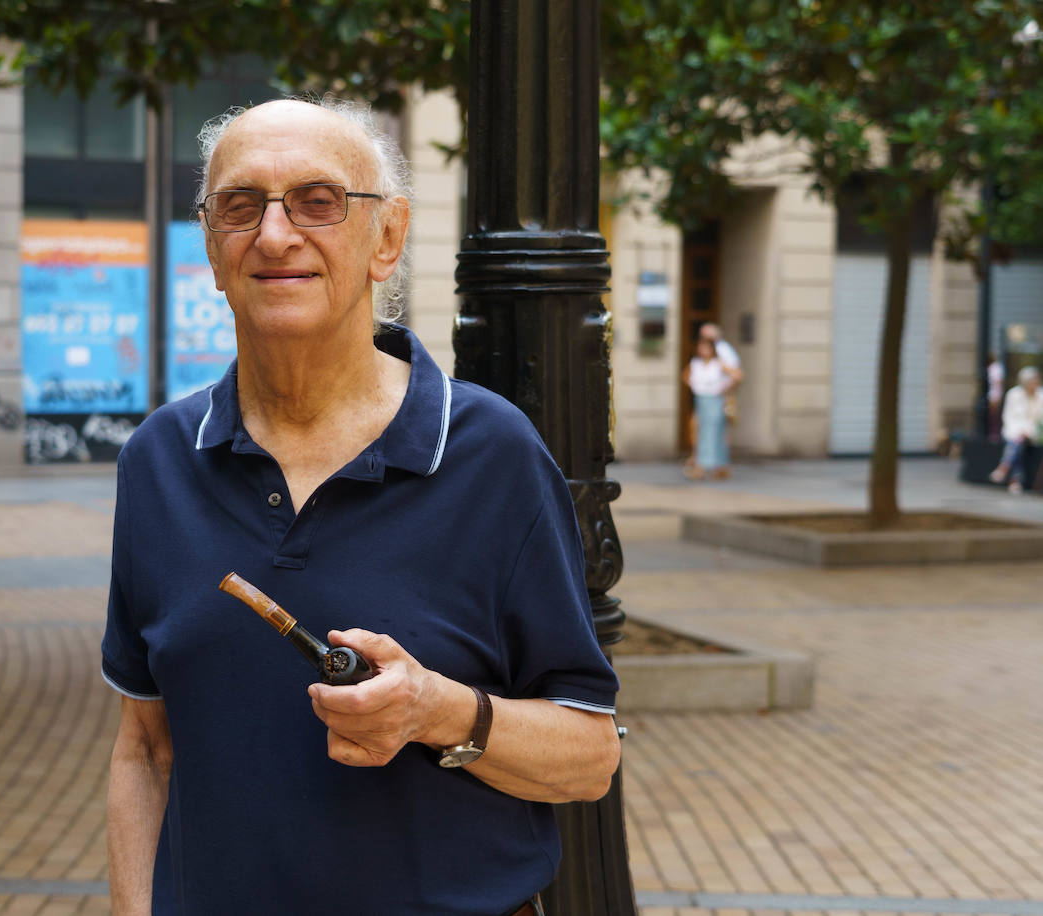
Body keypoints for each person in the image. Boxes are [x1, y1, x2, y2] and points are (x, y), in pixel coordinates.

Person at [101, 97, 620, 916]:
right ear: (211, 246)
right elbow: (144, 749)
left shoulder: (493, 453)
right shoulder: (159, 460)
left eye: (319, 201)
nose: (275, 235)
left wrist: (437, 710)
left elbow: (589, 758)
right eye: (240, 205)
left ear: (388, 238)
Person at [683, 336, 742, 480]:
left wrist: (725, 388)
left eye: (706, 348)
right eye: (701, 347)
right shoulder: (696, 363)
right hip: (701, 400)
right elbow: (685, 376)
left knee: (714, 433)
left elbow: (737, 375)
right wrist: (695, 386)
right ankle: (705, 465)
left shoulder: (718, 364)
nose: (703, 350)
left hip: (715, 401)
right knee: (700, 432)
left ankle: (712, 466)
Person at [989, 366, 1043, 494]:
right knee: (1018, 443)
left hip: (1035, 432)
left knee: (1016, 443)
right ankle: (1015, 480)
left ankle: (1005, 468)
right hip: (1015, 431)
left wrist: (1029, 431)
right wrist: (1021, 431)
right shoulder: (1014, 394)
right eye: (1031, 382)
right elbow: (1009, 417)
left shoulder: (1040, 395)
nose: (1034, 385)